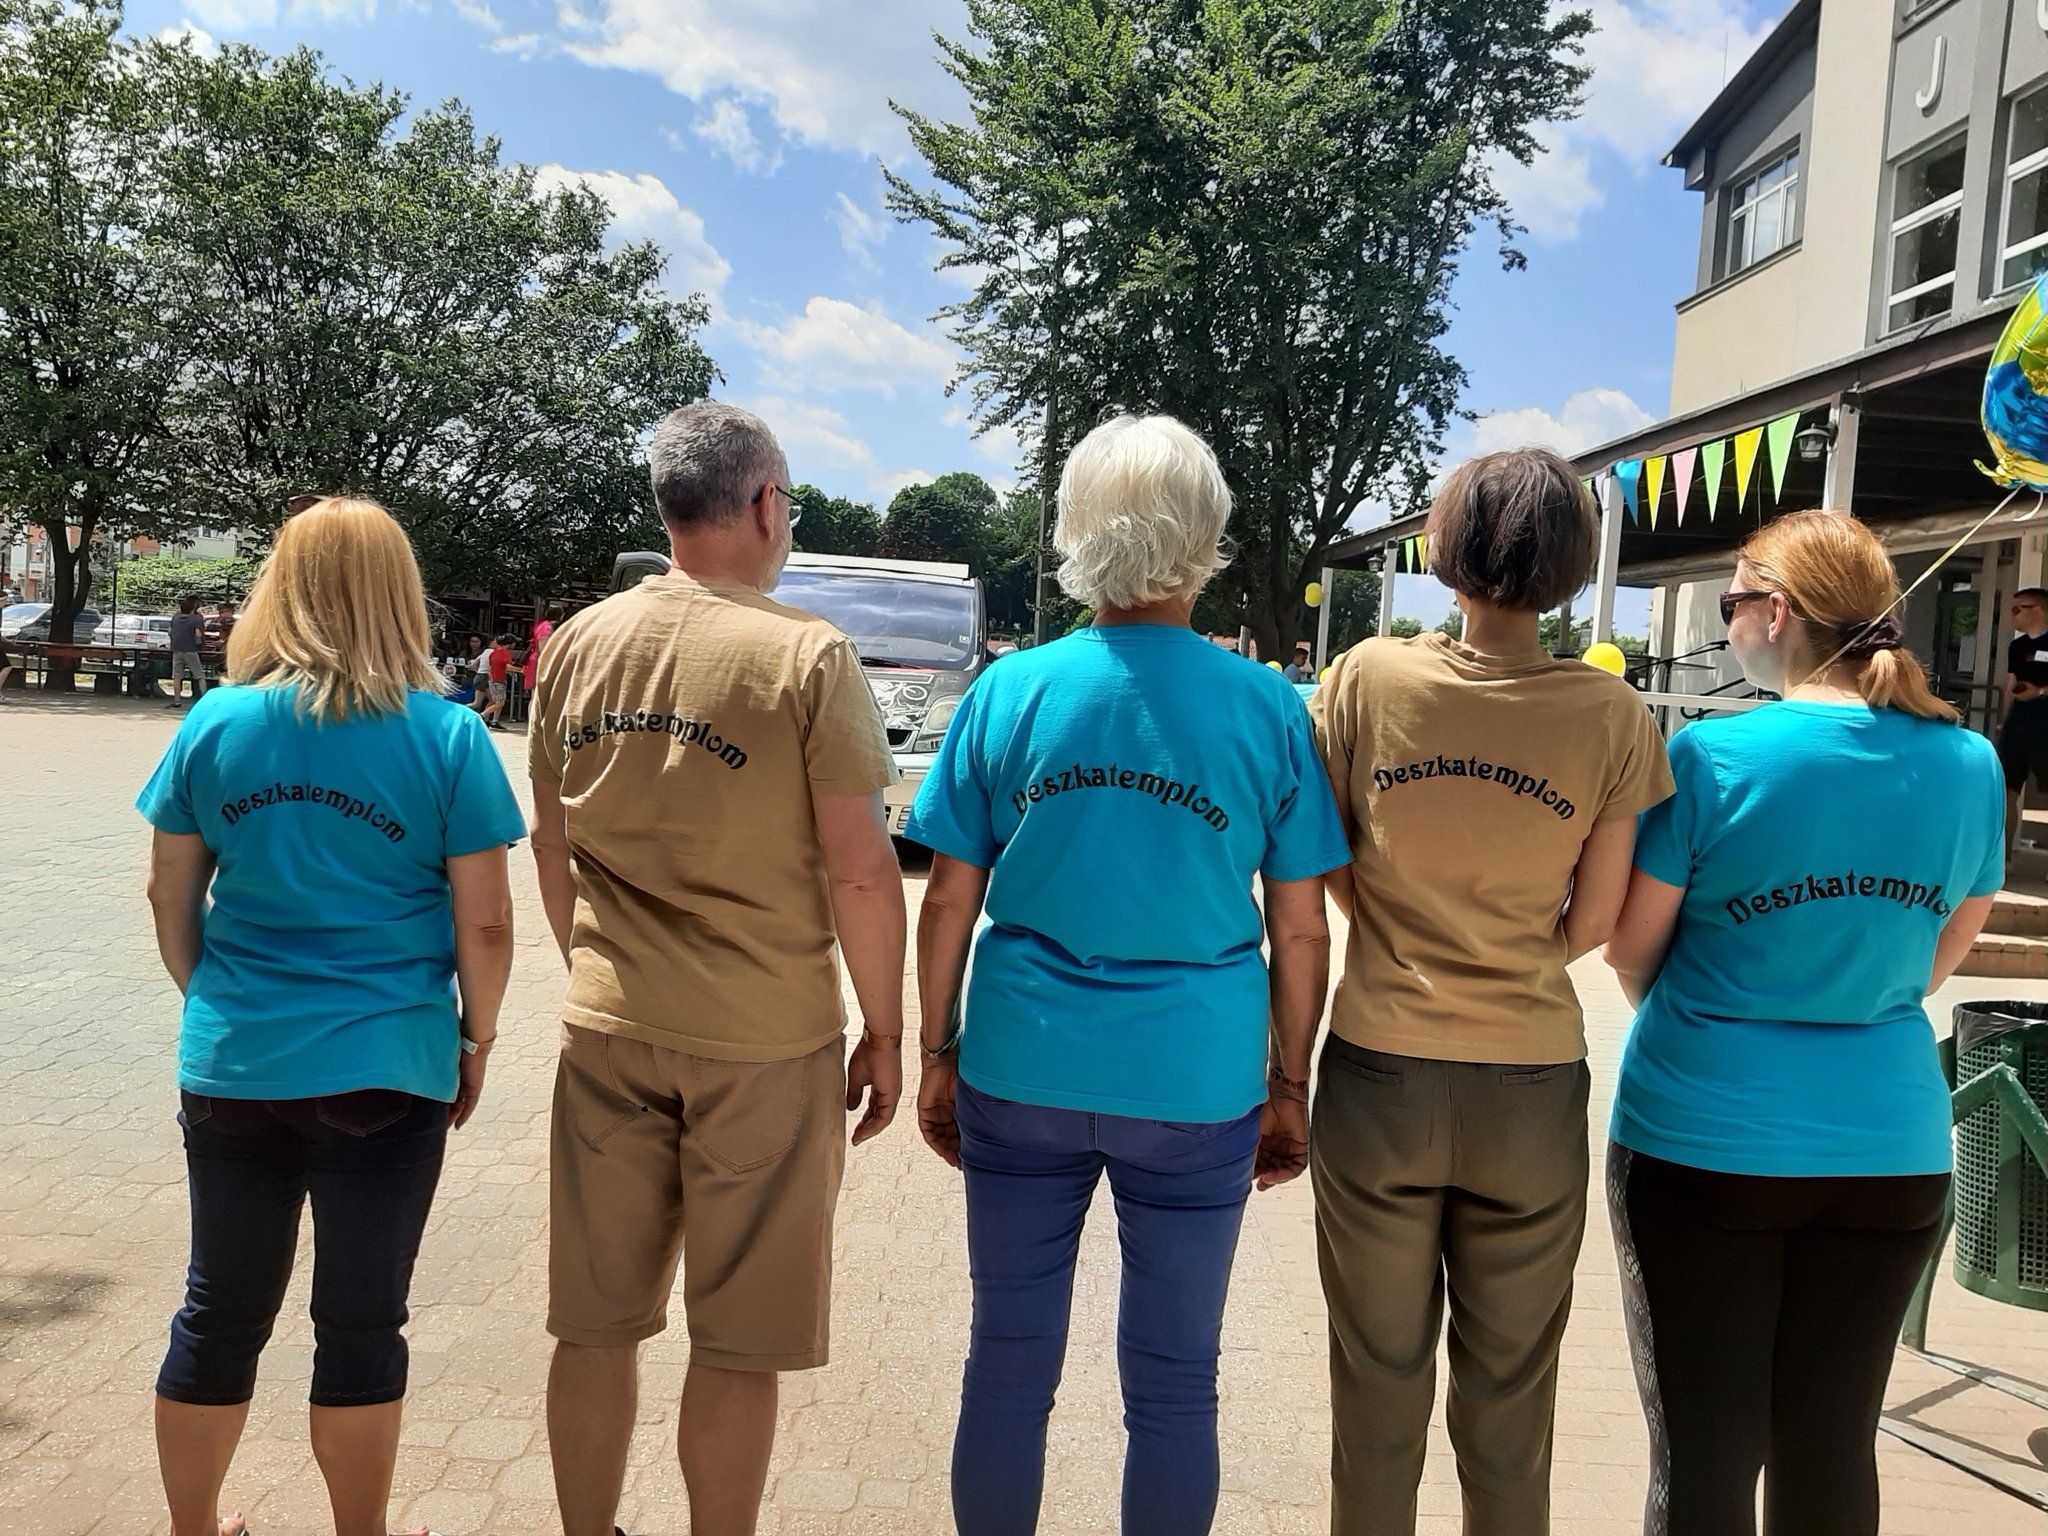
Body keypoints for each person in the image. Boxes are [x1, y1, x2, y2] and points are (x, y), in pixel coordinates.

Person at [907, 414, 1352, 1536]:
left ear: (1075, 532)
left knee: (1007, 1360)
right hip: (1196, 1080)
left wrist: (935, 1051)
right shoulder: (1266, 705)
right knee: (1174, 1380)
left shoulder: (1011, 691)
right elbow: (1301, 929)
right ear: (1205, 537)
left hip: (1023, 1065)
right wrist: (1289, 1083)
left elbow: (947, 899)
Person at [528, 402, 905, 1536]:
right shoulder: (805, 655)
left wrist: (593, 965)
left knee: (593, 1325)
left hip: (609, 1026)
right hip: (763, 1041)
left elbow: (550, 844)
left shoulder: (577, 644)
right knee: (738, 1343)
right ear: (764, 504)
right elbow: (862, 872)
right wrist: (886, 1030)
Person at [1602, 510, 2001, 1536]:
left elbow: (1630, 950)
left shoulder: (1711, 756)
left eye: (1731, 602)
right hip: (1889, 1147)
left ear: (1776, 612)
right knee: (1830, 1445)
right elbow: (1935, 960)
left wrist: (1718, 1016)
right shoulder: (1969, 764)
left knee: (1705, 1451)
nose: (1728, 621)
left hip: (1705, 1136)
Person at [136, 497, 526, 1536]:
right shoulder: (450, 736)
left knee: (219, 1308)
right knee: (360, 1322)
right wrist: (476, 1039)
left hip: (235, 1061)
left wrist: (213, 1002)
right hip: (388, 1062)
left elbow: (168, 893)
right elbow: (487, 924)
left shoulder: (216, 722)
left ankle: (191, 1530)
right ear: (401, 597)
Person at [1308, 448, 1673, 1536]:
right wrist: (1513, 952)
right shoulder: (1609, 713)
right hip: (1530, 1078)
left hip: (1380, 1066)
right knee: (1512, 1398)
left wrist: (1395, 926)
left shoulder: (1365, 679)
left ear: (1442, 548)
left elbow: (1327, 862)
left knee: (1374, 1385)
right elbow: (1596, 921)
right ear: (1572, 564)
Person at [1998, 586, 2048, 849]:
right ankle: (2004, 858)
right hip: (2018, 727)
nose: (2012, 616)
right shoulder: (2017, 647)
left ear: (2037, 610)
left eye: (2017, 610)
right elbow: (2010, 685)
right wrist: (2004, 723)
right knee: (2006, 793)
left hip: (2045, 727)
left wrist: (2039, 691)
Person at [166, 595, 207, 707]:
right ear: (194, 607)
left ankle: (177, 701)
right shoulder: (196, 618)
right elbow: (198, 634)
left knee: (177, 676)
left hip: (176, 649)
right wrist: (200, 644)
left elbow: (169, 632)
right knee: (199, 675)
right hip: (191, 649)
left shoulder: (175, 617)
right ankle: (204, 699)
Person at [480, 632, 514, 731]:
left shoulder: (493, 653)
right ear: (509, 644)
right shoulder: (506, 654)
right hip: (499, 680)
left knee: (494, 701)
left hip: (492, 679)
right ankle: (483, 715)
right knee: (500, 703)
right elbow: (508, 667)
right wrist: (522, 670)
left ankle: (492, 720)